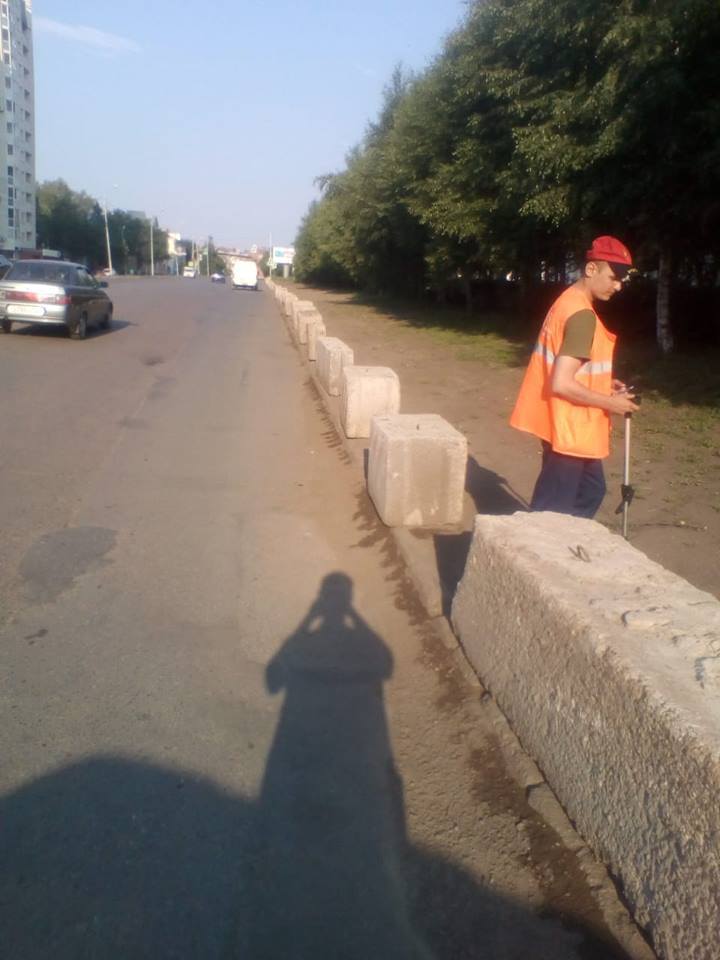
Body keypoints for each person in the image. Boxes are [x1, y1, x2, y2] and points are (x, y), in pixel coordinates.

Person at [510, 235, 640, 518]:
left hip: (567, 423)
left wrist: (604, 383)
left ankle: (563, 537)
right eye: (613, 278)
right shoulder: (582, 316)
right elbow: (562, 383)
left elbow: (566, 366)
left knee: (591, 490)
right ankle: (542, 543)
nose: (618, 286)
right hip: (570, 427)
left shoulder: (566, 300)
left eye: (621, 280)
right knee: (553, 510)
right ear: (591, 269)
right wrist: (612, 403)